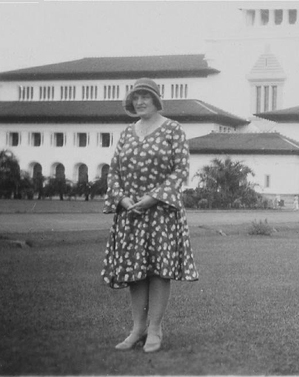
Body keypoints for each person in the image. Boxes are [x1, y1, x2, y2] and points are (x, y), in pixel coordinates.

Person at [102, 78, 199, 353]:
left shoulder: (173, 130)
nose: (140, 101)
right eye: (136, 97)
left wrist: (152, 197)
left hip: (160, 211)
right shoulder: (126, 133)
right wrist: (123, 199)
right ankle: (137, 329)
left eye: (145, 96)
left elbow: (180, 170)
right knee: (135, 273)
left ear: (156, 100)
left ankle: (155, 329)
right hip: (130, 213)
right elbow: (115, 172)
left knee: (159, 271)